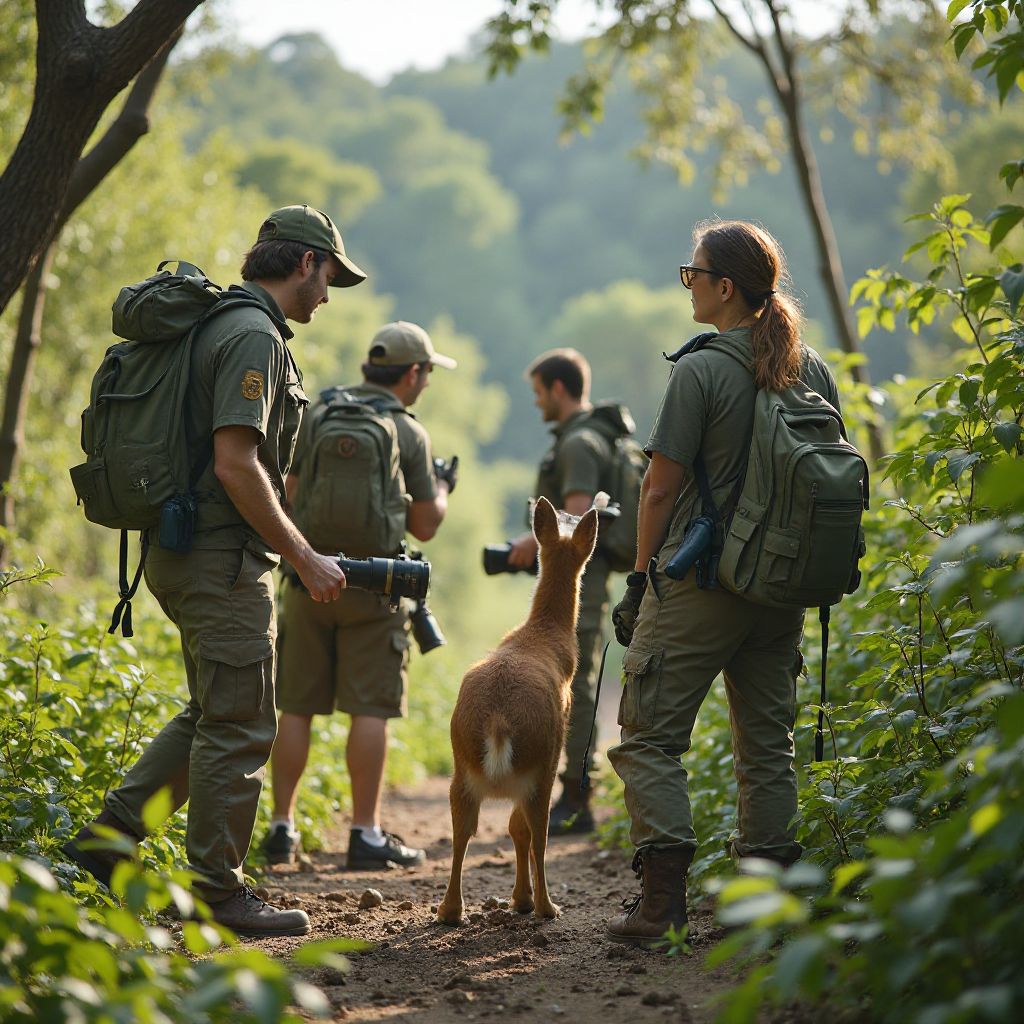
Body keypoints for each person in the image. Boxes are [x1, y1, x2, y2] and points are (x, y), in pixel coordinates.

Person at [63, 205, 366, 938]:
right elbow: (237, 464)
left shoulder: (216, 321)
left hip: (181, 547)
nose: (328, 294)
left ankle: (101, 851)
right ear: (305, 264)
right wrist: (303, 555)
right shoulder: (254, 335)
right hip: (217, 557)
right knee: (239, 721)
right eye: (329, 278)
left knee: (211, 712)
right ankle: (217, 894)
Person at [605, 219, 842, 945]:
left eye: (693, 273)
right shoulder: (812, 368)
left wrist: (642, 580)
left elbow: (658, 490)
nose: (689, 284)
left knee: (648, 738)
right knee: (766, 745)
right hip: (781, 590)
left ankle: (660, 906)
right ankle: (763, 909)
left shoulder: (701, 369)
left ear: (724, 288)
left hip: (699, 584)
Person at [263, 321, 457, 870]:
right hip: (375, 591)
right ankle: (364, 833)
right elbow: (424, 525)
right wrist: (441, 489)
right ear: (412, 373)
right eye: (426, 375)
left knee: (295, 706)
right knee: (369, 709)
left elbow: (289, 496)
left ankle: (282, 829)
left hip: (308, 579)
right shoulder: (409, 432)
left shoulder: (321, 413)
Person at [506, 348, 633, 833]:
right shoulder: (591, 436)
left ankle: (576, 795)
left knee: (573, 685)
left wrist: (528, 540)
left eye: (540, 393)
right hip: (577, 577)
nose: (538, 403)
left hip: (579, 581)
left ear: (559, 388)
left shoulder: (579, 443)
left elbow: (577, 515)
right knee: (570, 682)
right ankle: (572, 789)